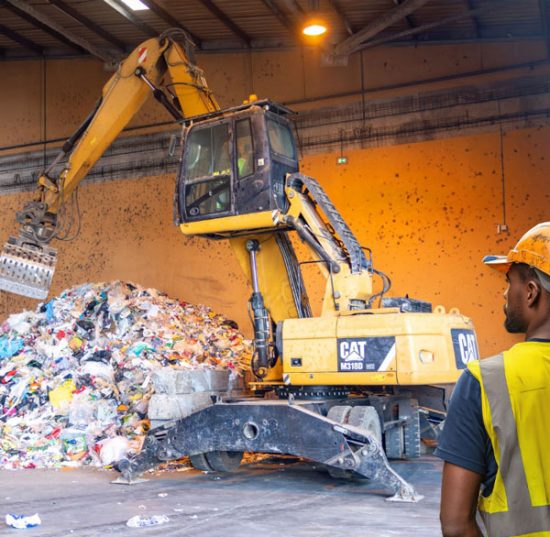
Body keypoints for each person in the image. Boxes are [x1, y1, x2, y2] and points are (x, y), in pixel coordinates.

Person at [436, 222, 550, 537]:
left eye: (509, 281)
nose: (504, 292)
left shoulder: (484, 382)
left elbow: (456, 524)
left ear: (530, 292)